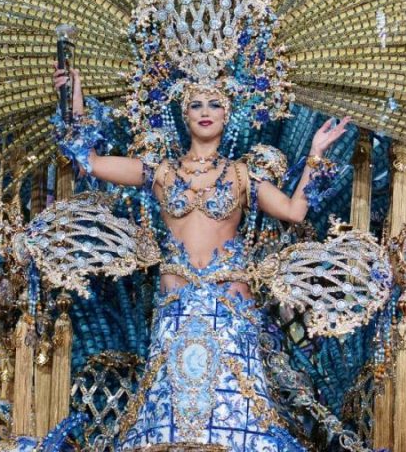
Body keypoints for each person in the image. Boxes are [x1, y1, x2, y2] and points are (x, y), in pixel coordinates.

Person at [53, 63, 349, 452]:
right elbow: (90, 162)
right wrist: (74, 96)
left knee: (236, 423)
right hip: (176, 311)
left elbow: (295, 211)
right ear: (185, 114)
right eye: (196, 104)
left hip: (229, 312)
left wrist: (314, 155)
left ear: (227, 115)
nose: (205, 111)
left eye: (214, 104)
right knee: (172, 427)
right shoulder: (160, 173)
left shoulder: (244, 176)